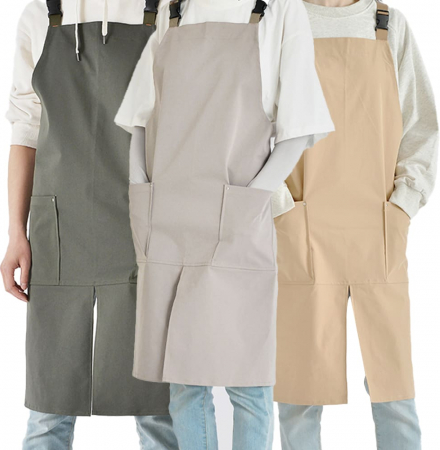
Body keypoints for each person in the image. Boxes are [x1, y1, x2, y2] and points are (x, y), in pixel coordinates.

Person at [115, 0, 334, 448]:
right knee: (184, 382)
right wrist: (140, 187)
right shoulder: (173, 10)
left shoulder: (277, 9)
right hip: (168, 216)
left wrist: (249, 202)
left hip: (237, 217)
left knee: (248, 381)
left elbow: (299, 127)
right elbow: (139, 116)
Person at [1, 1, 179, 448]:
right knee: (50, 404)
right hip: (60, 227)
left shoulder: (164, 10)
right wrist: (15, 232)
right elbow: (25, 130)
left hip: (144, 227)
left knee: (156, 407)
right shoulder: (41, 14)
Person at [273, 1, 438, 449]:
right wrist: (280, 206)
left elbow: (422, 125)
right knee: (299, 394)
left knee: (394, 389)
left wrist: (403, 205)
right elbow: (253, 123)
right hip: (304, 230)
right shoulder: (280, 22)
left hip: (377, 230)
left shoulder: (387, 24)